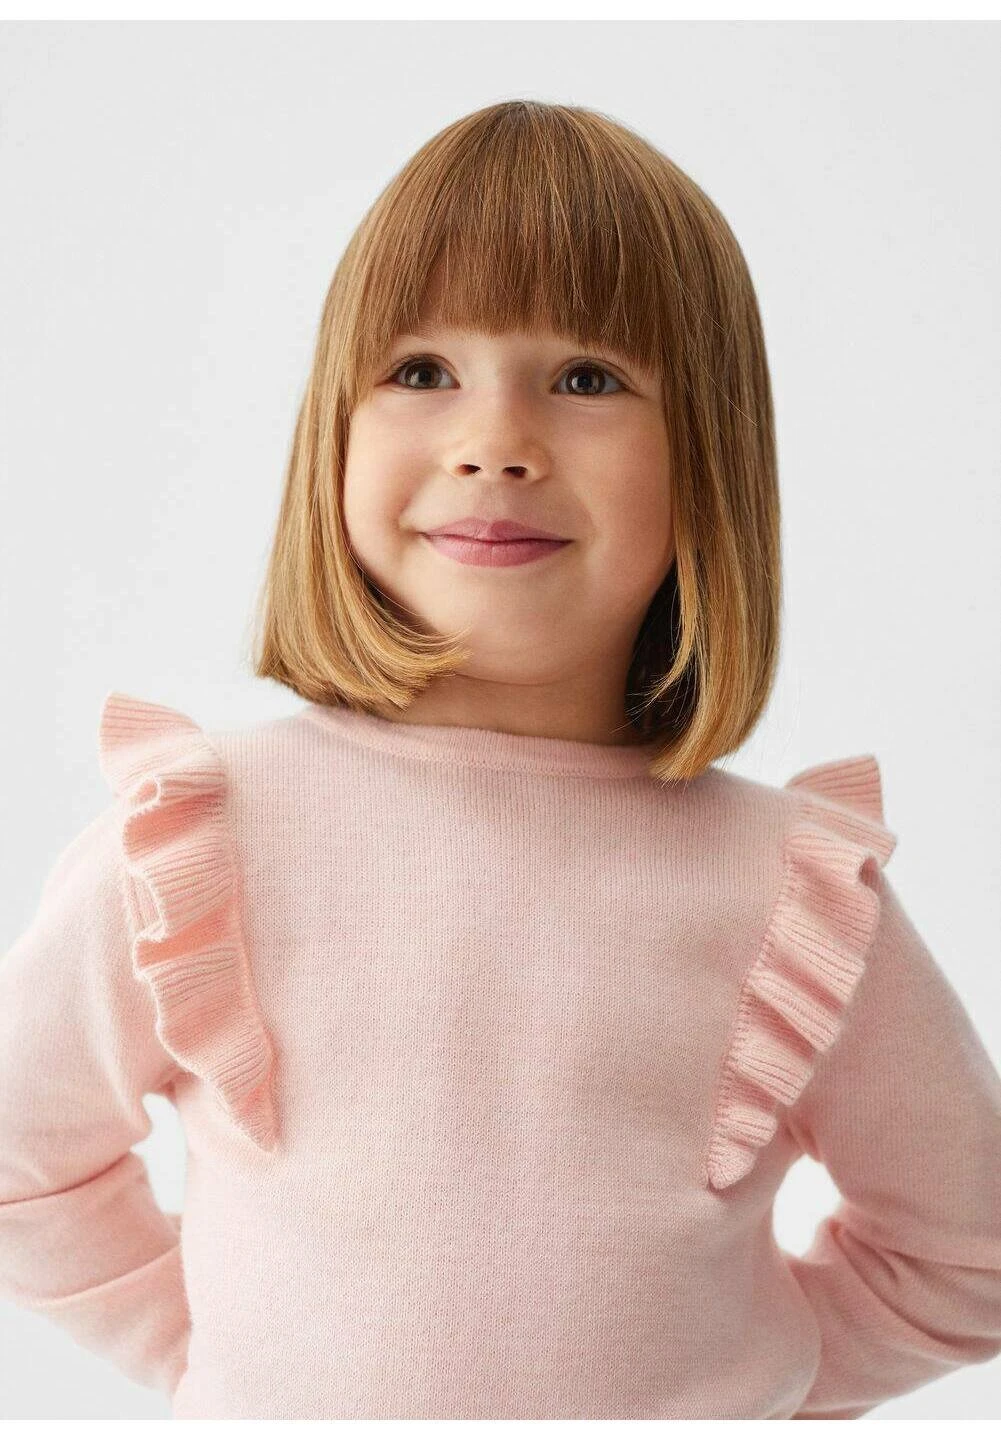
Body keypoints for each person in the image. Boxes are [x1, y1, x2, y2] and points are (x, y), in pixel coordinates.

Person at [1, 98, 999, 1422]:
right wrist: (209, 1358)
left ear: (707, 455)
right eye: (421, 370)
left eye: (586, 378)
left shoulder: (791, 890)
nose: (494, 444)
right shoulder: (200, 840)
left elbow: (968, 1255)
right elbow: (22, 1164)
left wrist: (753, 1388)